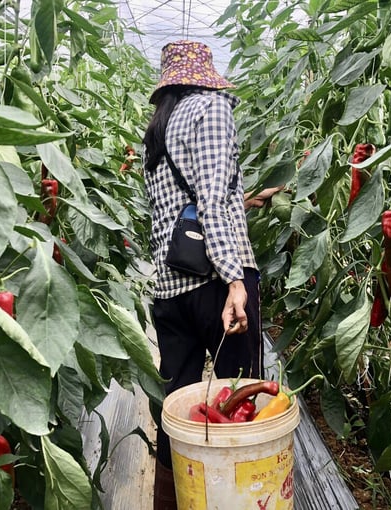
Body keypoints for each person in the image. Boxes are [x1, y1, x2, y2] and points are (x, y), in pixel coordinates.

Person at [142, 40, 263, 510]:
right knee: (240, 399)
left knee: (177, 404)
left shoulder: (158, 129)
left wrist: (248, 199)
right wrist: (235, 280)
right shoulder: (211, 108)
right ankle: (237, 499)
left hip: (170, 290)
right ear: (204, 76)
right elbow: (210, 201)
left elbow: (182, 202)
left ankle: (172, 501)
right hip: (216, 284)